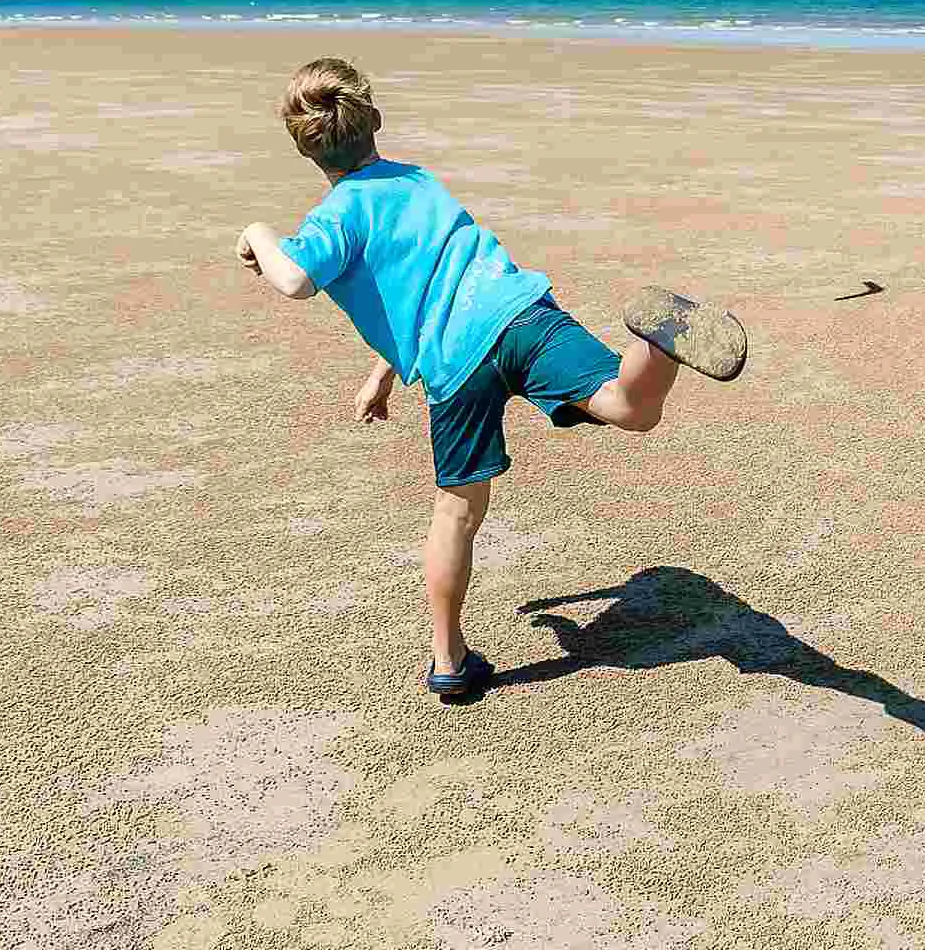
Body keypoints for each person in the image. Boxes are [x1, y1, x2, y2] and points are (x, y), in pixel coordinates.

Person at [236, 57, 747, 699]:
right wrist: (386, 373)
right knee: (631, 407)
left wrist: (258, 232)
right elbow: (428, 278)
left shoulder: (333, 220)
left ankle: (448, 662)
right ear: (375, 121)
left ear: (303, 145)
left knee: (457, 511)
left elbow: (294, 282)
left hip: (457, 366)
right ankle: (659, 340)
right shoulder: (419, 181)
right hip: (514, 310)